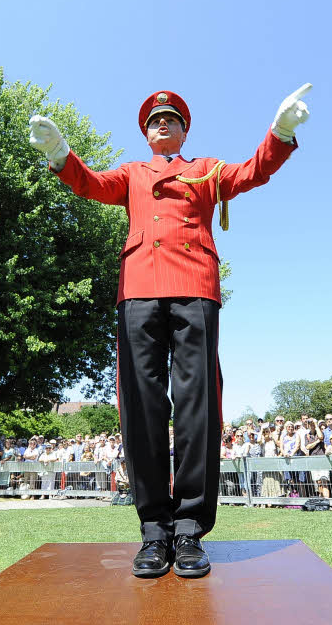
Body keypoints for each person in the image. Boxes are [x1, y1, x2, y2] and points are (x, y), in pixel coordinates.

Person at [28, 85, 310, 579]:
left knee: (198, 402)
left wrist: (280, 133)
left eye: (172, 119)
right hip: (138, 288)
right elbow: (91, 183)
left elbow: (252, 171)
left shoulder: (205, 169)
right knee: (141, 405)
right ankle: (155, 529)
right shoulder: (133, 174)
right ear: (145, 132)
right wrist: (59, 154)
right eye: (155, 119)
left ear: (184, 129)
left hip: (194, 285)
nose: (163, 124)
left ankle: (189, 528)